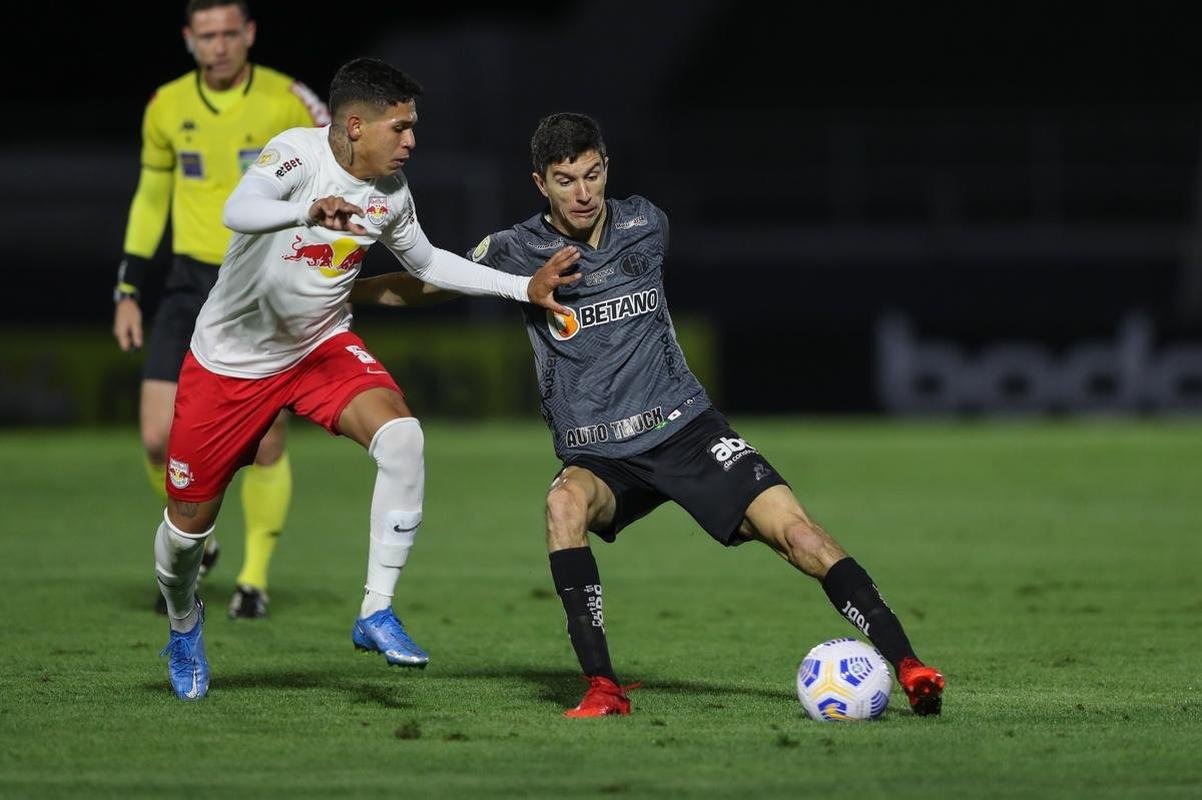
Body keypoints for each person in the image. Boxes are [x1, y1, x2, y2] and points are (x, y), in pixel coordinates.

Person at [462, 112, 946, 717]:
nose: (583, 193)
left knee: (799, 534)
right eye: (565, 181)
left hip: (687, 432)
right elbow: (429, 279)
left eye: (592, 175)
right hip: (602, 456)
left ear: (607, 167)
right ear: (541, 184)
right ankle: (604, 689)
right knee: (563, 503)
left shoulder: (646, 223)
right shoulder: (515, 250)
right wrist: (340, 281)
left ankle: (909, 665)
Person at [153, 57, 581, 701]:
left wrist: (524, 285)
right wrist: (306, 214)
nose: (411, 141)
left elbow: (430, 263)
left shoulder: (391, 196)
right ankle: (184, 622)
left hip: (320, 346)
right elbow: (239, 209)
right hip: (231, 363)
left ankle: (375, 610)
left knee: (403, 438)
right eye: (401, 128)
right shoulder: (296, 156)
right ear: (355, 125)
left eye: (414, 128)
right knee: (187, 532)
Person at [113, 0, 331, 619]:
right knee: (158, 436)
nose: (219, 45)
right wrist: (127, 287)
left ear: (250, 34)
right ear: (188, 38)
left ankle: (254, 581)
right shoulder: (166, 106)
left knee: (263, 442)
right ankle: (199, 538)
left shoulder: (289, 100)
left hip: (263, 280)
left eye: (230, 33)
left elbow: (339, 166)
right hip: (187, 283)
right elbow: (152, 196)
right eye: (206, 35)